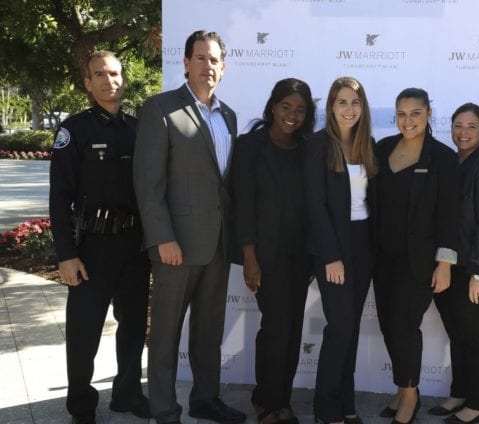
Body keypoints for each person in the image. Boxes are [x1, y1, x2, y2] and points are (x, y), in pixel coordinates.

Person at [133, 30, 246, 424]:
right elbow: (149, 185)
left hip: (217, 245)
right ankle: (164, 409)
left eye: (214, 60)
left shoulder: (228, 115)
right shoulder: (161, 109)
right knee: (165, 334)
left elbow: (224, 184)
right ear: (185, 63)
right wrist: (163, 237)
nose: (208, 65)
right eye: (200, 58)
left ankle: (206, 399)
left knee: (208, 332)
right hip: (175, 246)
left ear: (223, 67)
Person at [49, 50, 151, 424]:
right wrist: (65, 254)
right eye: (101, 75)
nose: (110, 81)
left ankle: (127, 394)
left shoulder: (138, 129)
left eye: (115, 73)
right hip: (91, 248)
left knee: (134, 326)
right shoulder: (73, 131)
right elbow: (59, 196)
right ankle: (82, 406)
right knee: (84, 332)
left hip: (134, 246)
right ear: (87, 83)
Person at [373, 88, 459, 424]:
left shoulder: (442, 158)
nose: (408, 121)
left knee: (404, 327)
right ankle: (402, 387)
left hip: (419, 263)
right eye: (402, 114)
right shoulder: (382, 149)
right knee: (387, 326)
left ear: (428, 115)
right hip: (382, 259)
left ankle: (410, 396)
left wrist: (445, 264)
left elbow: (450, 216)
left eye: (415, 114)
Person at [232, 78, 316, 424]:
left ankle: (283, 399)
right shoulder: (250, 146)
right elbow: (243, 204)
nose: (292, 115)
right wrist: (250, 257)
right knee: (276, 327)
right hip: (265, 256)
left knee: (293, 328)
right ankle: (265, 399)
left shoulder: (309, 148)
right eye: (286, 107)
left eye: (300, 110)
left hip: (301, 255)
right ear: (272, 107)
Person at [304, 76, 377, 424]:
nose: (349, 109)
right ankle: (325, 407)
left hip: (364, 243)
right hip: (333, 244)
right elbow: (315, 205)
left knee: (350, 329)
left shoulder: (367, 145)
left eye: (355, 103)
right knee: (340, 326)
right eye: (342, 102)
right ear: (331, 107)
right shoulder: (319, 145)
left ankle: (346, 405)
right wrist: (331, 255)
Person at [429, 103, 479, 424]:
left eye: (471, 126)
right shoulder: (453, 162)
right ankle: (460, 392)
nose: (463, 132)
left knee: (476, 335)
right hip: (451, 263)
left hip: (478, 266)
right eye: (458, 125)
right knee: (458, 333)